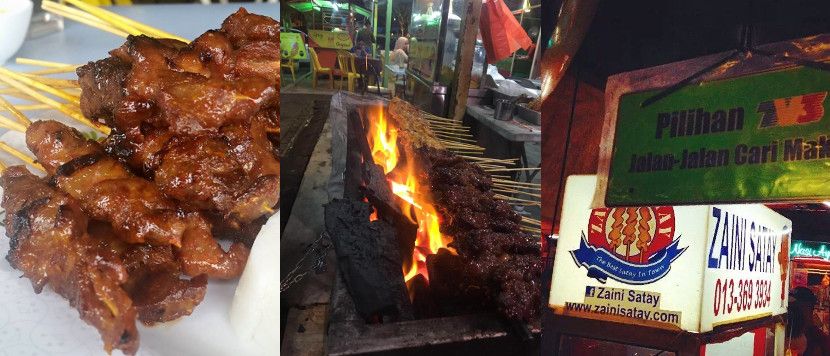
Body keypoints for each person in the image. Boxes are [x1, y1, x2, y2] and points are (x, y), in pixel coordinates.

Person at [790, 287, 830, 355]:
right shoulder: (797, 333)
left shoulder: (815, 339)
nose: (789, 310)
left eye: (793, 306)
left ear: (806, 307)